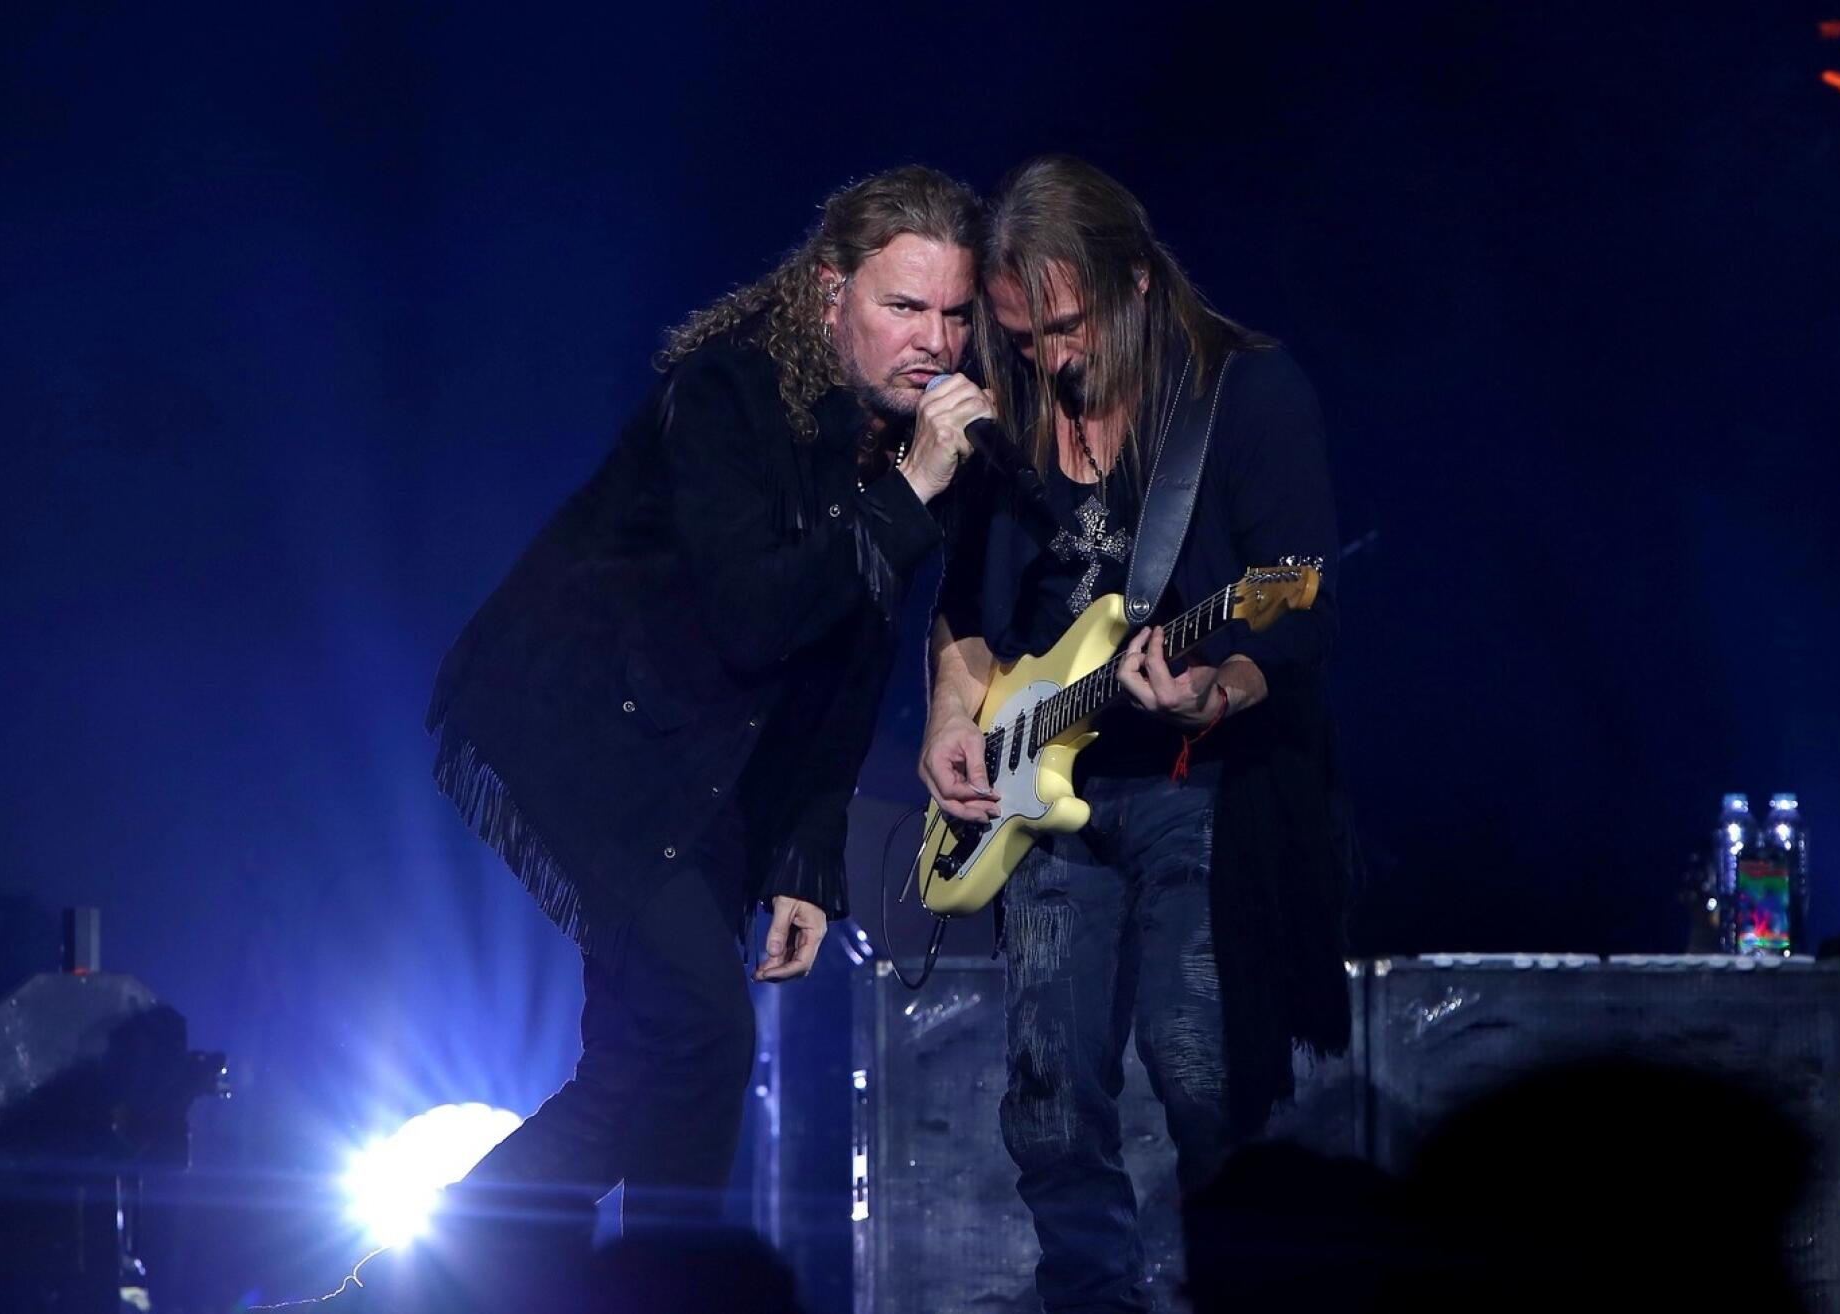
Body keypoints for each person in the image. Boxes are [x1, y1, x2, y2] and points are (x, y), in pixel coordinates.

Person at [418, 165, 986, 1243]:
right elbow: (755, 620)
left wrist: (804, 866)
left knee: (640, 1068)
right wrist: (907, 493)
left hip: (698, 767)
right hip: (579, 739)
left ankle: (432, 1286)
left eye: (954, 315)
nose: (935, 342)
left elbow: (846, 668)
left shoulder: (894, 448)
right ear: (830, 297)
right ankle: (661, 1286)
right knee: (701, 1036)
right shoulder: (730, 395)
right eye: (902, 307)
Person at [920, 155, 1354, 1314]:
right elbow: (963, 610)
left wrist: (1219, 689)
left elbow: (1296, 603)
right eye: (1019, 339)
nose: (1047, 361)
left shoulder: (1245, 396)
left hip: (1198, 785)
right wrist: (951, 714)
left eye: (1063, 328)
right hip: (1049, 806)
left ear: (1138, 283)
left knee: (1199, 1074)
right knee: (1049, 1104)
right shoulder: (1011, 422)